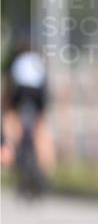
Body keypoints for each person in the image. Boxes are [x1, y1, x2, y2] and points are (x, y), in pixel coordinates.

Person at [1, 37, 56, 184]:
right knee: (41, 125)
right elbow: (46, 86)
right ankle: (47, 167)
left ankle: (7, 150)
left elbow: (8, 90)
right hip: (39, 94)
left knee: (10, 117)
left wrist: (6, 108)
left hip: (21, 92)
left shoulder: (15, 61)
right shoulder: (38, 60)